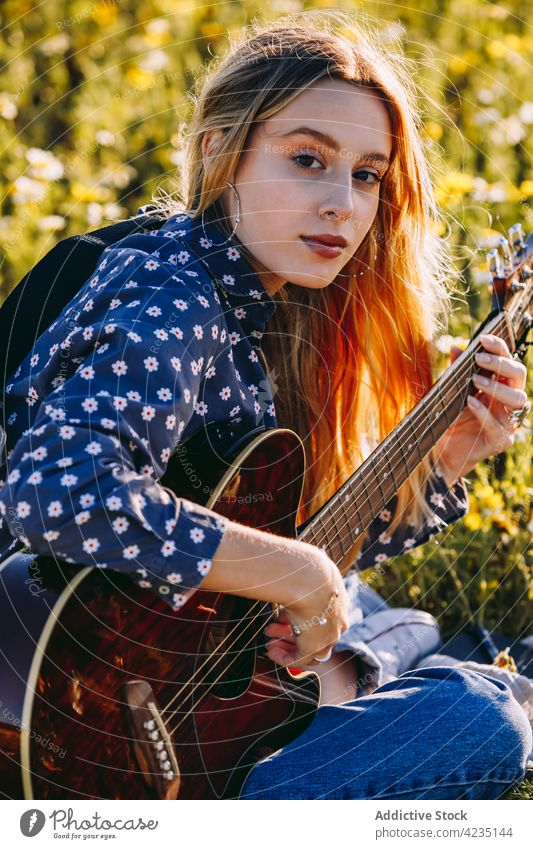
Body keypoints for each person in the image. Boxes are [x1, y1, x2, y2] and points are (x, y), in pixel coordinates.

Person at [0, 13, 530, 799]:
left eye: (366, 175)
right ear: (219, 150)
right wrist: (298, 569)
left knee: (357, 608)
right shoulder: (172, 294)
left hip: (147, 686)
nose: (341, 205)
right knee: (472, 716)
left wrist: (445, 458)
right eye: (307, 158)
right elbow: (58, 491)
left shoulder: (260, 304)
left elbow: (273, 559)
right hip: (69, 729)